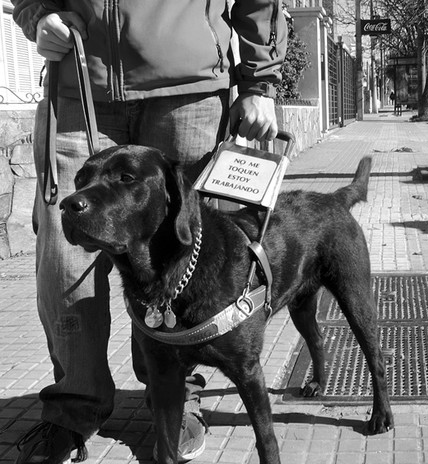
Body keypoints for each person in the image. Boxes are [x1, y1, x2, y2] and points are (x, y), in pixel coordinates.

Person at [10, 1, 287, 463]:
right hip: (79, 86)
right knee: (63, 263)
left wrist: (260, 82)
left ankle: (176, 399)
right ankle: (74, 408)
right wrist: (37, 13)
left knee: (182, 260)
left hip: (189, 90)